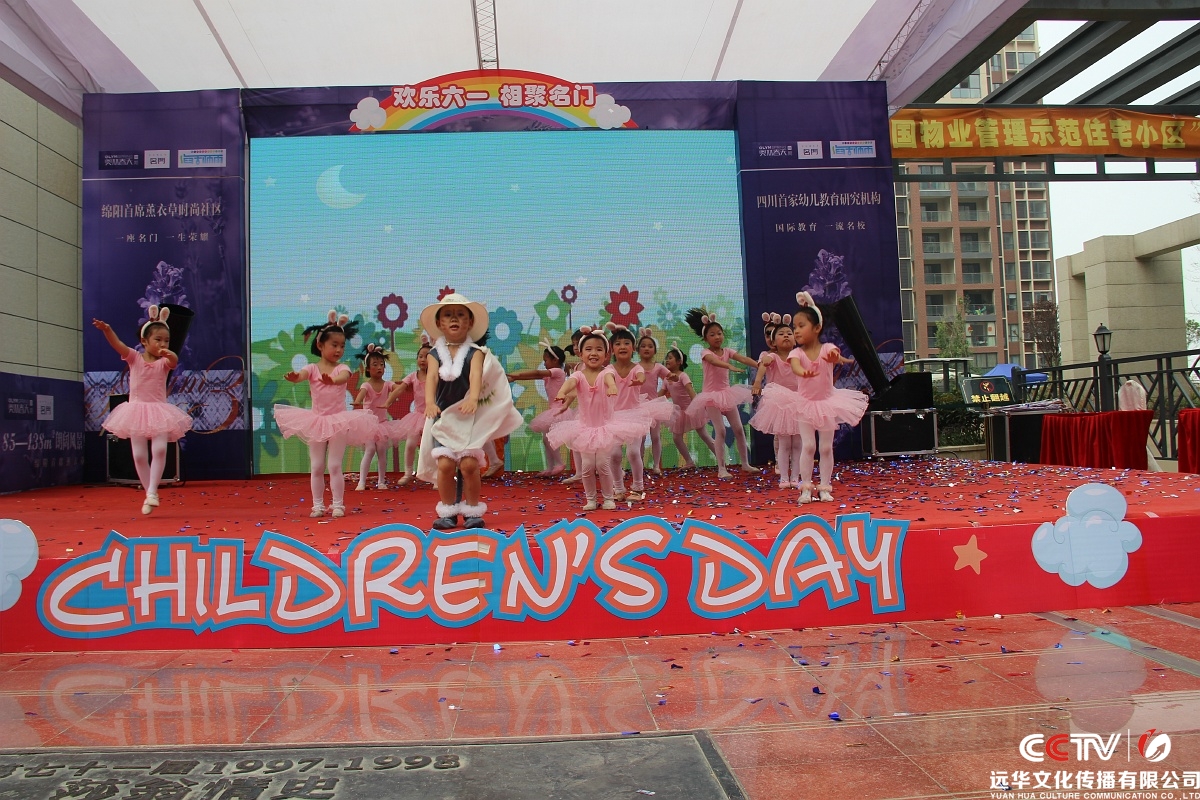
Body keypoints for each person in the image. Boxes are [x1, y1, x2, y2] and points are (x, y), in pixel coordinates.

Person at [414, 292, 522, 530]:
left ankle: (472, 511)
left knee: (469, 465)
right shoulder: (434, 354)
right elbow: (432, 378)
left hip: (468, 417)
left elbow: (476, 376)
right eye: (448, 315)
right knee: (445, 465)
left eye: (461, 315)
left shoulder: (476, 353)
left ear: (470, 322)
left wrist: (473, 398)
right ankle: (448, 511)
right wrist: (430, 402)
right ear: (440, 323)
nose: (454, 319)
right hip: (443, 417)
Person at [92, 306, 193, 515]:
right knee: (139, 455)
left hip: (159, 411)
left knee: (160, 450)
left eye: (166, 340)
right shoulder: (134, 358)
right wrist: (107, 330)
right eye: (158, 340)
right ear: (144, 341)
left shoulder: (164, 363)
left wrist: (169, 353)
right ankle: (150, 493)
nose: (163, 344)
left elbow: (173, 360)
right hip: (136, 411)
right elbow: (118, 345)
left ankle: (152, 491)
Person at [275, 310, 376, 518]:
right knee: (317, 466)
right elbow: (302, 375)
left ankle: (338, 504)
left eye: (342, 346)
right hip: (316, 421)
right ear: (320, 345)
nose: (339, 350)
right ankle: (318, 506)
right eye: (334, 345)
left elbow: (343, 378)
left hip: (338, 421)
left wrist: (333, 380)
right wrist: (296, 377)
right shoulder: (312, 368)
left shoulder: (342, 368)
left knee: (335, 465)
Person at [546, 326, 645, 511]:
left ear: (606, 355)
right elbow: (571, 383)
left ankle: (609, 498)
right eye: (589, 349)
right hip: (585, 429)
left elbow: (609, 379)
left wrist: (612, 386)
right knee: (587, 466)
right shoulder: (578, 374)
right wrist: (562, 392)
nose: (593, 353)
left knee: (602, 464)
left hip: (604, 427)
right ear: (581, 354)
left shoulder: (606, 372)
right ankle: (591, 500)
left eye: (599, 349)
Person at [785, 291, 868, 504]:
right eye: (794, 327)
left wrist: (835, 357)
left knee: (825, 448)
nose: (796, 331)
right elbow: (795, 366)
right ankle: (805, 488)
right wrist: (803, 372)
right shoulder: (797, 353)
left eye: (801, 325)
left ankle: (824, 487)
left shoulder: (827, 348)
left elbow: (834, 355)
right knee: (808, 446)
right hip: (804, 404)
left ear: (817, 328)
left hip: (827, 403)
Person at [684, 307, 758, 478]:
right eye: (712, 334)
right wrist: (729, 366)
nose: (717, 337)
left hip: (726, 394)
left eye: (719, 333)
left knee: (739, 429)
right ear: (705, 338)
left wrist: (758, 364)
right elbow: (714, 361)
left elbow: (742, 358)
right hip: (711, 396)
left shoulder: (728, 351)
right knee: (721, 431)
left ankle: (745, 464)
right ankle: (721, 468)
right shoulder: (705, 352)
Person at [607, 323, 672, 501]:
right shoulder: (609, 369)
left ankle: (637, 488)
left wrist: (639, 380)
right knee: (614, 454)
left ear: (633, 348)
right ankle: (618, 488)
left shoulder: (637, 368)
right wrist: (610, 385)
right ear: (612, 349)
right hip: (614, 417)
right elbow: (607, 378)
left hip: (635, 415)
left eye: (626, 343)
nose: (622, 347)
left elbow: (641, 376)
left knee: (633, 452)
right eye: (618, 344)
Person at [750, 313, 802, 489]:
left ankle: (795, 477)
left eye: (789, 333)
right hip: (780, 403)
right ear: (773, 342)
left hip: (798, 401)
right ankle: (784, 478)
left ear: (795, 339)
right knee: (784, 443)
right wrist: (757, 383)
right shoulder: (770, 356)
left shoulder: (799, 356)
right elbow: (763, 366)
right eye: (781, 334)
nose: (786, 335)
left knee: (798, 443)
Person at [508, 339, 572, 477]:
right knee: (546, 439)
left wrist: (516, 375)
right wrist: (516, 378)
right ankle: (550, 467)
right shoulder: (552, 373)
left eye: (546, 360)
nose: (544, 363)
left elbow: (537, 372)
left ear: (555, 360)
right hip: (554, 410)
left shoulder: (557, 371)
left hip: (559, 410)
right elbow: (535, 376)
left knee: (549, 438)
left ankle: (559, 463)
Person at [353, 344, 404, 491]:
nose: (379, 367)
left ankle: (381, 481)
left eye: (382, 364)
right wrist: (357, 402)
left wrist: (404, 386)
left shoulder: (387, 384)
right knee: (370, 450)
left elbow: (399, 389)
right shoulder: (366, 385)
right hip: (369, 424)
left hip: (382, 424)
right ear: (368, 369)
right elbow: (361, 395)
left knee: (382, 451)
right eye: (375, 364)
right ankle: (361, 482)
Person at [660, 342, 718, 469]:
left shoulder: (683, 376)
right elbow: (660, 395)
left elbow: (691, 391)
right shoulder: (666, 379)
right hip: (679, 412)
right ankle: (689, 462)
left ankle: (721, 459)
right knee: (676, 437)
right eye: (666, 358)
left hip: (691, 409)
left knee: (703, 435)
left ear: (679, 362)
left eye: (670, 358)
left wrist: (698, 406)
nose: (667, 360)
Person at [386, 337, 431, 486]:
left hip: (432, 416)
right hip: (417, 416)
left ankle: (435, 474)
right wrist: (388, 402)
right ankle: (408, 473)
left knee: (431, 447)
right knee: (410, 444)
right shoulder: (413, 376)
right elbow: (400, 389)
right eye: (420, 356)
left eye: (427, 357)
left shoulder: (436, 376)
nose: (423, 360)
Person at [636, 327, 672, 474]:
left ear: (655, 350)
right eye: (643, 346)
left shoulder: (658, 367)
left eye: (650, 346)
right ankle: (639, 465)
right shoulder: (635, 367)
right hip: (638, 407)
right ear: (638, 350)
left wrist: (673, 379)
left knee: (656, 436)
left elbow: (670, 377)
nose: (647, 348)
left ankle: (656, 465)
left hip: (654, 406)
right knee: (640, 438)